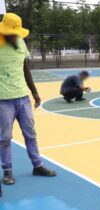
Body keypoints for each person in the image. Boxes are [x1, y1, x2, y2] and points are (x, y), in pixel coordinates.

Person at [0, 13, 56, 186]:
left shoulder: (20, 43)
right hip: (3, 100)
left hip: (23, 97)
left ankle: (37, 165)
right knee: (4, 138)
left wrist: (35, 92)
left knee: (31, 134)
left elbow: (26, 70)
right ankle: (7, 171)